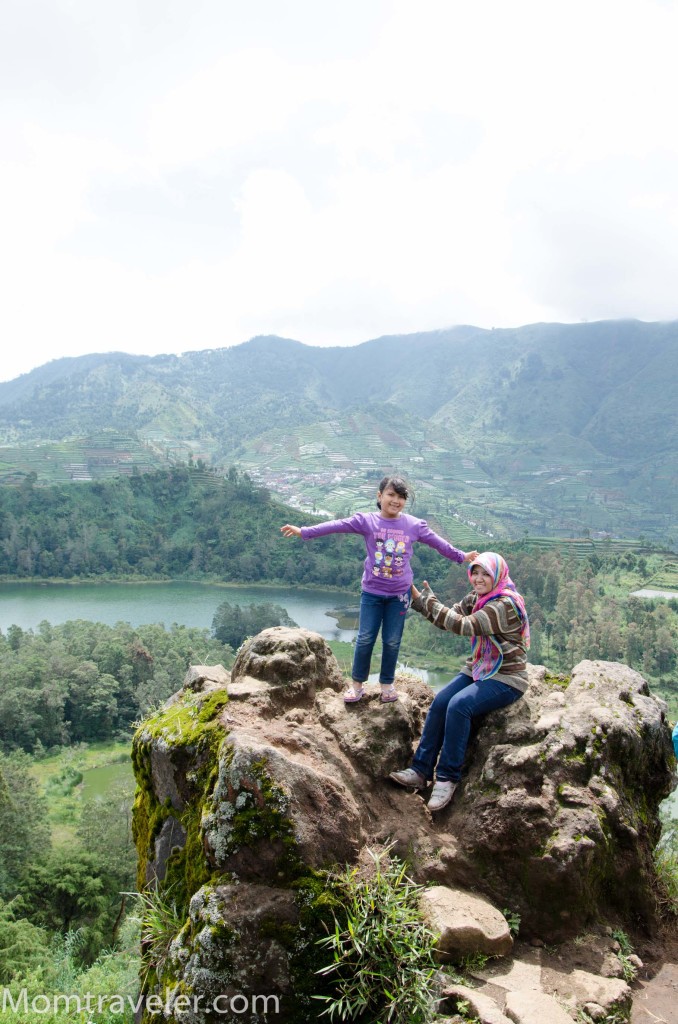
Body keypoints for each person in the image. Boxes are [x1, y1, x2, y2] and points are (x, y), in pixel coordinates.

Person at [280, 475, 478, 704]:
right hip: (372, 592)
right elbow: (336, 526)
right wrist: (304, 531)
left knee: (392, 640)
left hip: (400, 595)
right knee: (365, 638)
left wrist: (461, 556)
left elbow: (438, 543)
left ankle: (387, 684)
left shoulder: (414, 525)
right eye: (391, 495)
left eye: (401, 497)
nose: (396, 501)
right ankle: (356, 686)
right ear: (379, 496)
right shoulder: (367, 521)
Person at [390, 551, 530, 812]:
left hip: (508, 676)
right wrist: (420, 602)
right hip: (480, 667)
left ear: (497, 575)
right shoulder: (478, 598)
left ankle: (447, 778)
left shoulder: (504, 605)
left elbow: (463, 625)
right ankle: (420, 770)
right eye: (475, 573)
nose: (478, 578)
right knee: (442, 700)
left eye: (485, 573)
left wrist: (427, 601)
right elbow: (449, 619)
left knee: (459, 705)